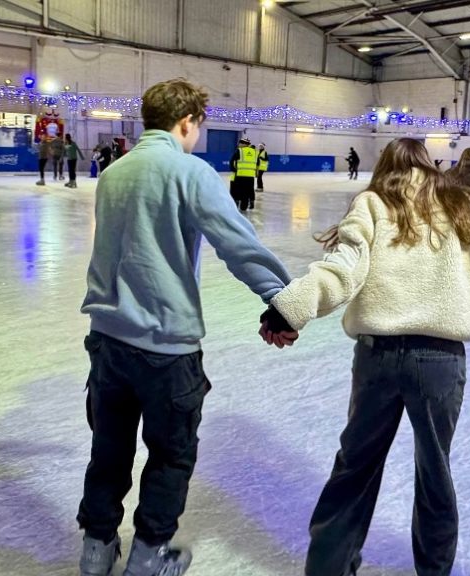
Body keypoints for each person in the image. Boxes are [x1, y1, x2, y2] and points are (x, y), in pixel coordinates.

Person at [258, 137, 470, 576]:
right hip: (440, 365)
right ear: (430, 164)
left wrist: (290, 306)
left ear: (386, 165)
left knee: (355, 469)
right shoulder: (466, 204)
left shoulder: (373, 204)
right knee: (434, 475)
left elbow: (343, 268)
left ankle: (328, 567)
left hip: (377, 360)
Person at [77, 78, 292, 576]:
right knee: (171, 456)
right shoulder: (190, 172)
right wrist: (284, 301)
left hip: (107, 342)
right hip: (165, 347)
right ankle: (149, 555)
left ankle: (96, 549)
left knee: (108, 450)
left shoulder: (114, 173)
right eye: (199, 126)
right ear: (188, 122)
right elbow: (239, 245)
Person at [229, 137, 257, 212]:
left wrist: (233, 169)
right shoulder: (254, 152)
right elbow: (257, 163)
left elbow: (232, 161)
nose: (239, 144)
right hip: (251, 176)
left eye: (240, 143)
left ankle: (237, 204)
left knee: (238, 190)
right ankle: (244, 207)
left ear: (243, 144)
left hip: (240, 175)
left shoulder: (240, 151)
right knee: (247, 191)